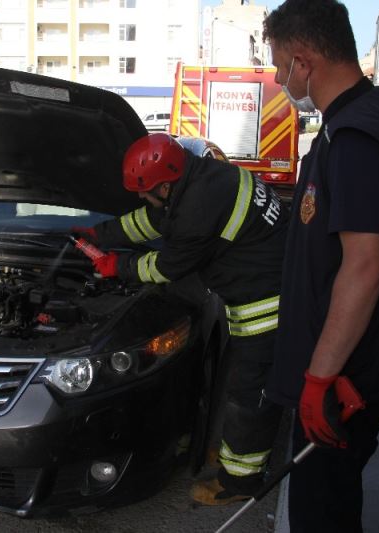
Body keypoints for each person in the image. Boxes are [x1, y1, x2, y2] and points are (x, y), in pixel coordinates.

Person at [263, 1, 379, 531]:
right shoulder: (374, 110)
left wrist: (319, 377)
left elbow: (365, 266)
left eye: (281, 65)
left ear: (304, 60)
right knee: (338, 498)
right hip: (367, 362)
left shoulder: (354, 137)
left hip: (346, 377)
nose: (280, 79)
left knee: (320, 510)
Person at [82, 133, 289, 505]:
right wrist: (100, 232)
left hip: (267, 305)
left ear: (165, 186)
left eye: (144, 192)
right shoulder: (199, 175)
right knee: (237, 382)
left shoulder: (198, 209)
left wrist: (117, 266)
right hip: (263, 284)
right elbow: (153, 219)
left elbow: (166, 267)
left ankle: (241, 481)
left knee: (249, 394)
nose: (141, 198)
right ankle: (234, 452)